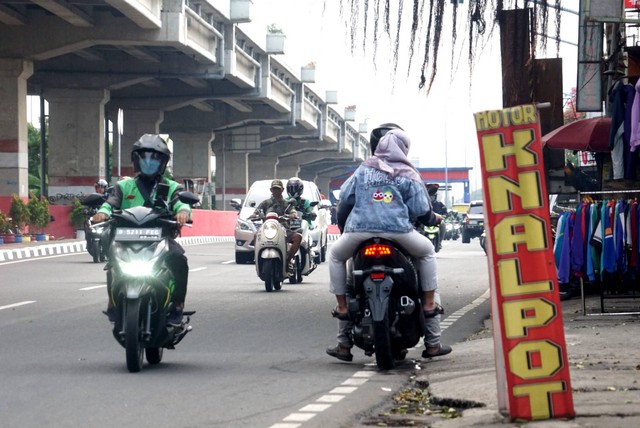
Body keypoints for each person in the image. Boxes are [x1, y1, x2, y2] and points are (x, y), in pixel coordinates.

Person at [326, 124, 452, 362]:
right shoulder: (408, 173)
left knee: (336, 257)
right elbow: (422, 210)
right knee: (426, 253)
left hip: (359, 233)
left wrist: (346, 230)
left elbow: (344, 202)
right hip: (399, 233)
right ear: (403, 148)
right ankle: (430, 326)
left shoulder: (363, 169)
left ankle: (343, 320)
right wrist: (433, 218)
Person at [92, 134, 191, 326]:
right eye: (144, 158)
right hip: (126, 238)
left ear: (163, 162)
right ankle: (113, 301)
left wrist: (183, 213)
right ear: (136, 160)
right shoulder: (123, 186)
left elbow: (181, 204)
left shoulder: (171, 187)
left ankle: (177, 304)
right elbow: (110, 203)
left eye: (154, 159)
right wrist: (102, 213)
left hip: (159, 238)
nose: (149, 163)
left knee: (179, 260)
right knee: (113, 263)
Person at [252, 179, 302, 275]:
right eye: (274, 189)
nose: (276, 191)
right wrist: (254, 215)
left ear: (282, 190)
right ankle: (257, 258)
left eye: (278, 189)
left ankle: (288, 259)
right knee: (255, 235)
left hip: (283, 229)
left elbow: (293, 212)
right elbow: (256, 211)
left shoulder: (287, 203)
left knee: (298, 237)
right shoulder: (265, 203)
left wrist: (292, 215)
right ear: (271, 190)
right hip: (267, 228)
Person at [427, 183, 447, 251]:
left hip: (437, 220)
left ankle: (440, 242)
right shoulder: (424, 203)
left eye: (432, 196)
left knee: (443, 225)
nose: (431, 198)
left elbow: (445, 211)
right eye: (430, 196)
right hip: (426, 221)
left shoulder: (440, 204)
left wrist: (444, 215)